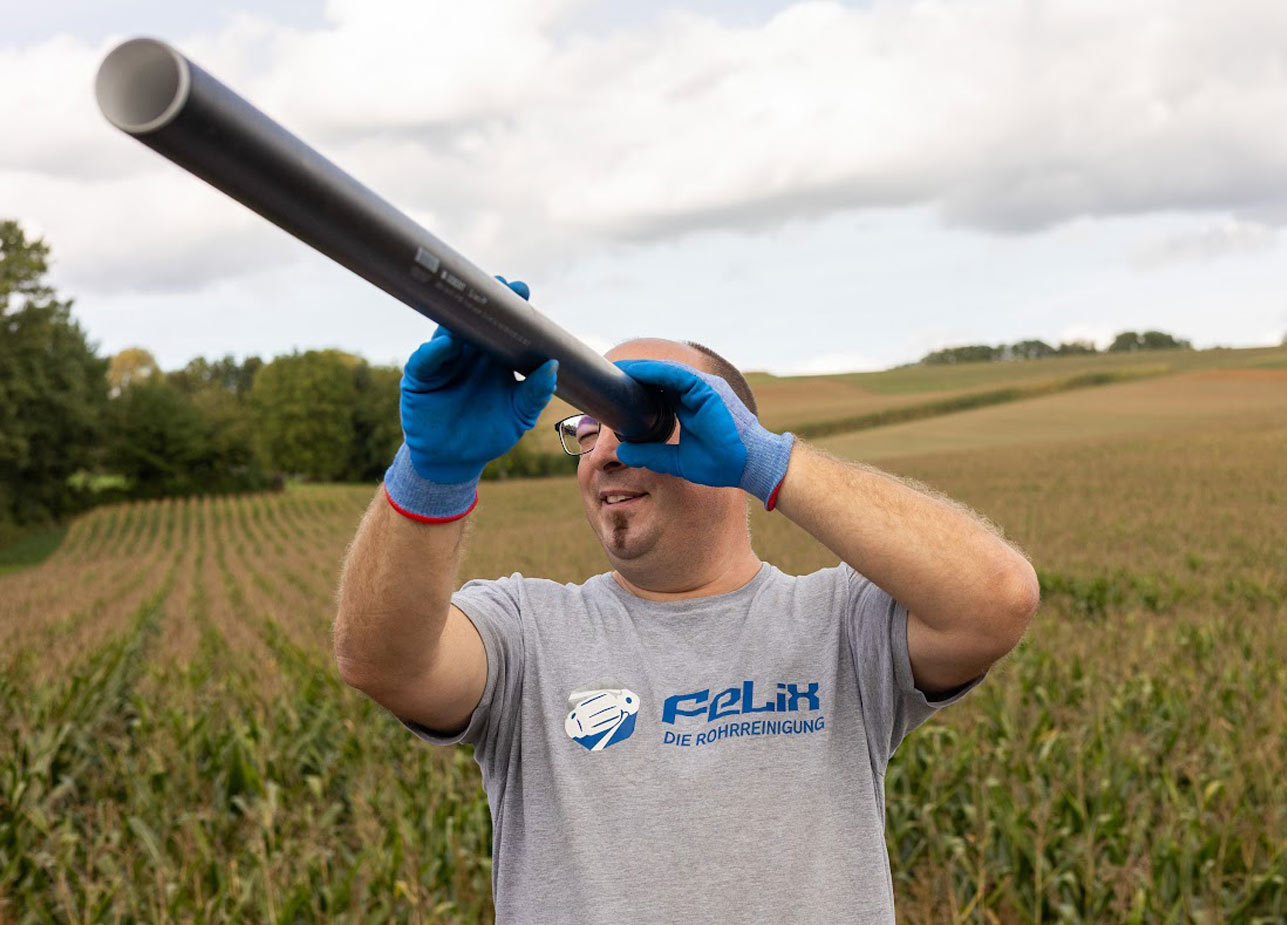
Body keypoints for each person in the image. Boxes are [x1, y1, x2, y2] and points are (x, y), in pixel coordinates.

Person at [334, 278, 1039, 923]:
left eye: (635, 421)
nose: (603, 451)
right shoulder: (527, 633)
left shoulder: (839, 626)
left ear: (724, 431)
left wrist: (771, 460)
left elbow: (996, 598)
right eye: (586, 427)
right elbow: (386, 662)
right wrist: (432, 471)